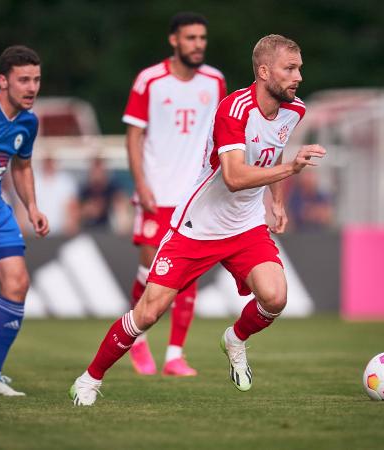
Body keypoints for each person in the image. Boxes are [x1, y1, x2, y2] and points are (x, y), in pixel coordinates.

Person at [69, 34, 326, 406]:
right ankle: (89, 379)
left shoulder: (294, 109)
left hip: (246, 226)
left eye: (299, 67)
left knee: (275, 297)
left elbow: (275, 148)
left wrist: (277, 201)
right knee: (149, 311)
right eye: (290, 68)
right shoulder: (232, 110)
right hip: (198, 226)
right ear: (264, 71)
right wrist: (290, 169)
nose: (298, 76)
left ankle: (235, 339)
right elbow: (235, 178)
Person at [122, 12, 227, 376]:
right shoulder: (150, 80)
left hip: (194, 196)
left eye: (202, 38)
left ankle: (174, 356)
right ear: (174, 41)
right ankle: (137, 340)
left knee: (188, 275)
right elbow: (133, 136)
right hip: (157, 193)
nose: (198, 44)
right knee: (150, 272)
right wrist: (141, 184)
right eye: (191, 38)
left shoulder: (215, 81)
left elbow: (223, 131)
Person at [0, 46, 49, 396]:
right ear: (3, 81)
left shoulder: (29, 122)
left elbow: (21, 165)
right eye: (23, 80)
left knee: (17, 283)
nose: (31, 88)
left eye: (36, 80)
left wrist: (32, 207)